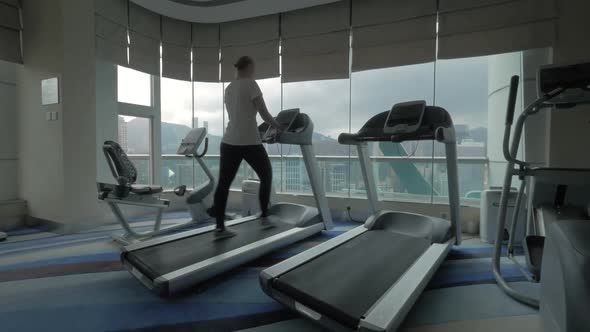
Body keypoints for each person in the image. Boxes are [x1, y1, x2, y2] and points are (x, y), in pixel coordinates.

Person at [211, 56, 283, 239]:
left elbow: (238, 113)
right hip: (249, 141)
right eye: (254, 67)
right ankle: (264, 217)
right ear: (249, 66)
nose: (254, 71)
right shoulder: (251, 84)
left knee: (224, 184)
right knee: (266, 175)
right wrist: (277, 125)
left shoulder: (229, 88)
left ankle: (219, 227)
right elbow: (263, 112)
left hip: (229, 141)